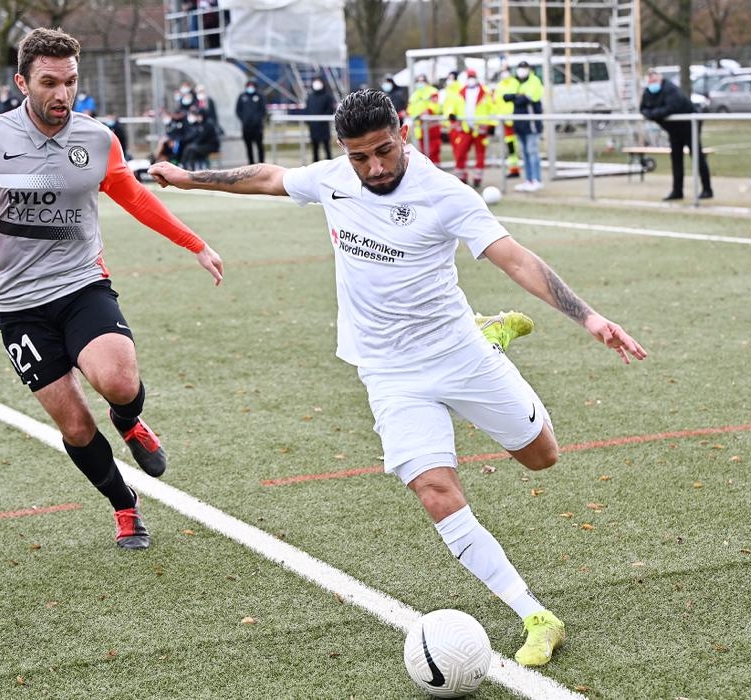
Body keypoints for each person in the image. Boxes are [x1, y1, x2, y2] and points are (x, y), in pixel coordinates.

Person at [149, 89, 646, 666]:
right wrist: (187, 178)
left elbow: (515, 258)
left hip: (459, 354)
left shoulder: (444, 194)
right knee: (435, 490)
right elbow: (269, 177)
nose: (374, 168)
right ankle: (534, 614)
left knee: (542, 457)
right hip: (388, 371)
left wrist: (590, 318)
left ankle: (490, 333)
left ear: (402, 133)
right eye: (360, 157)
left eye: (384, 151)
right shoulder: (334, 178)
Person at [0, 27, 224, 551]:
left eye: (71, 82)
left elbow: (135, 198)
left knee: (119, 382)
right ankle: (124, 504)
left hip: (81, 284)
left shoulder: (98, 139)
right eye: (49, 83)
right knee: (77, 427)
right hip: (18, 305)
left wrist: (193, 242)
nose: (63, 94)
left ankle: (128, 420)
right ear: (22, 83)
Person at [640, 69, 713, 201]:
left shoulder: (671, 89)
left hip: (689, 125)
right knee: (676, 159)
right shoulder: (648, 92)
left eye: (654, 80)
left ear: (660, 79)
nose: (652, 83)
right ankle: (677, 191)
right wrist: (652, 114)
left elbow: (670, 108)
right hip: (673, 129)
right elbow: (644, 109)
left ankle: (707, 189)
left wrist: (653, 114)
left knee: (697, 156)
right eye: (650, 81)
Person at [505, 61, 544, 192]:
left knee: (532, 151)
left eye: (524, 68)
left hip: (531, 124)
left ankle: (536, 179)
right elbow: (506, 96)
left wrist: (516, 97)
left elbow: (526, 99)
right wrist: (516, 96)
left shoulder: (534, 81)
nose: (521, 71)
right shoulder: (515, 81)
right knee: (524, 153)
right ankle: (528, 179)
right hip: (519, 124)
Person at [304, 76, 336, 162]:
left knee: (326, 147)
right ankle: (315, 164)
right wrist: (308, 121)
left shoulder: (328, 97)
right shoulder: (310, 97)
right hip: (313, 127)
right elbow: (307, 110)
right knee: (315, 148)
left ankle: (330, 164)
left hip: (324, 126)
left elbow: (330, 110)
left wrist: (322, 119)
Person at [235, 78, 266, 164]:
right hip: (246, 127)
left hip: (257, 127)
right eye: (249, 86)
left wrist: (257, 119)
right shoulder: (242, 96)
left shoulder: (260, 96)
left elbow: (263, 110)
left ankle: (261, 163)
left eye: (252, 86)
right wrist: (244, 119)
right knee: (248, 147)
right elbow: (238, 110)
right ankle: (251, 163)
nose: (250, 87)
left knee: (259, 146)